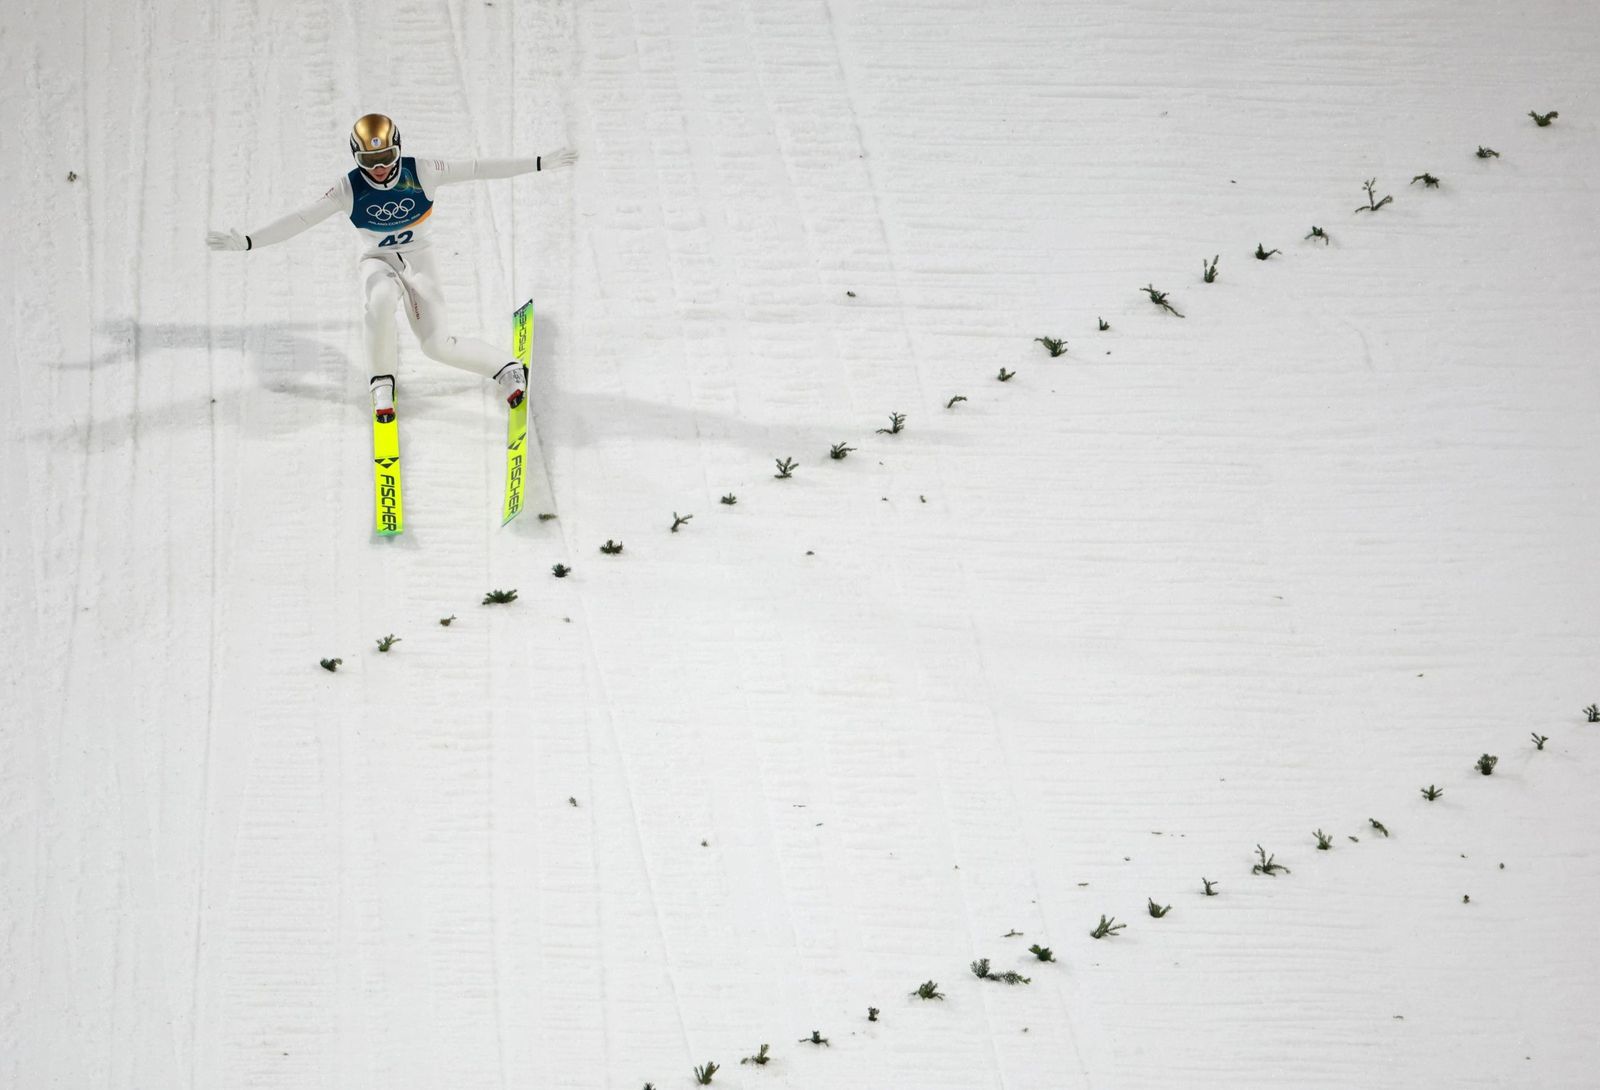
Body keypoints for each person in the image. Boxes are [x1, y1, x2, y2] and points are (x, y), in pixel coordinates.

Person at [206, 113, 576, 420]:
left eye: (386, 158)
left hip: (419, 259)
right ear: (356, 158)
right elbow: (302, 219)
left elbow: (479, 168)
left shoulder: (425, 170)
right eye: (369, 162)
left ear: (399, 149)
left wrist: (539, 163)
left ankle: (505, 368)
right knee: (381, 298)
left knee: (436, 346)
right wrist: (250, 241)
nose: (380, 169)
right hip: (378, 260)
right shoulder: (347, 189)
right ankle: (381, 380)